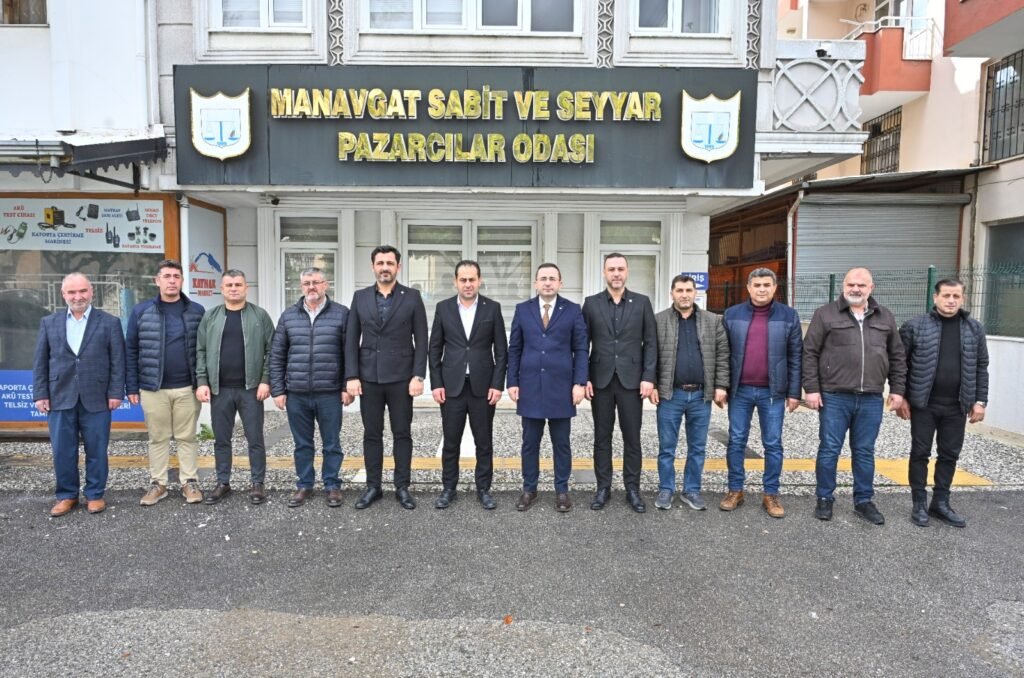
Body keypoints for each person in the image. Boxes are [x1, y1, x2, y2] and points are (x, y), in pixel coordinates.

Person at [803, 267, 906, 525]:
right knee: (829, 449)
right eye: (851, 284)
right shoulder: (825, 314)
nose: (856, 289)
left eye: (861, 285)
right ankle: (824, 498)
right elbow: (810, 353)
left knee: (864, 451)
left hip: (871, 397)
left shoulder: (886, 317)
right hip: (834, 396)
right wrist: (812, 389)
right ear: (843, 286)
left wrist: (897, 389)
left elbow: (897, 356)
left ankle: (863, 501)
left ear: (871, 288)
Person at [898, 278, 989, 528]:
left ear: (963, 299)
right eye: (946, 295)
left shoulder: (974, 329)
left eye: (956, 296)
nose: (951, 301)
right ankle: (918, 503)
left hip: (957, 406)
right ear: (935, 297)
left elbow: (981, 366)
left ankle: (940, 503)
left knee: (949, 455)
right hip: (924, 404)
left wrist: (980, 401)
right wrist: (902, 395)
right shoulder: (915, 326)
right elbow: (900, 364)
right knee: (920, 453)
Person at [32, 273, 125, 517]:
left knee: (97, 449)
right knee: (63, 450)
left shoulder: (109, 322)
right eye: (72, 292)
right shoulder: (49, 322)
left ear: (91, 292)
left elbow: (118, 361)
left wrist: (116, 391)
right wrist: (40, 393)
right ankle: (67, 495)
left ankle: (95, 494)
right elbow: (40, 361)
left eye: (82, 291)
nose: (78, 296)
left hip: (97, 396)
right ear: (63, 294)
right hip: (59, 395)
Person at [346, 246, 428, 510]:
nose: (385, 267)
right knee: (372, 434)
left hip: (402, 378)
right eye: (380, 263)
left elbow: (422, 339)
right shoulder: (360, 297)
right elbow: (351, 340)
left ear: (398, 267)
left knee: (402, 433)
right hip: (369, 378)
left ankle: (402, 487)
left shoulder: (412, 297)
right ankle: (373, 487)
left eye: (390, 263)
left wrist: (418, 375)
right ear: (373, 266)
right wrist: (351, 375)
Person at [507, 262, 589, 512]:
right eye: (543, 278)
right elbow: (515, 348)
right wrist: (512, 381)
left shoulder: (572, 310)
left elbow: (581, 348)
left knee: (561, 443)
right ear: (535, 283)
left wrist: (579, 383)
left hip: (561, 388)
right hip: (530, 385)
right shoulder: (523, 310)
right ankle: (529, 488)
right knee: (530, 443)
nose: (547, 282)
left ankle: (562, 490)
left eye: (552, 278)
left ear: (560, 283)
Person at [721, 268, 802, 518]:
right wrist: (721, 386)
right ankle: (735, 490)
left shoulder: (789, 316)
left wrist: (794, 392)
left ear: (775, 287)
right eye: (757, 285)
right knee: (736, 441)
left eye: (767, 285)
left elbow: (796, 356)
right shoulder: (732, 315)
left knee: (773, 443)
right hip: (740, 391)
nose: (762, 289)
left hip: (773, 393)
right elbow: (723, 354)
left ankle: (771, 494)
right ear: (748, 287)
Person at [428, 260, 508, 510]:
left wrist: (497, 384)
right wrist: (436, 383)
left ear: (479, 280)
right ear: (456, 282)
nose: (468, 284)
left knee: (483, 442)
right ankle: (448, 488)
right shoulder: (443, 308)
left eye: (472, 279)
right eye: (463, 280)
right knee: (451, 441)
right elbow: (434, 349)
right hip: (451, 386)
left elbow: (501, 351)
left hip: (483, 387)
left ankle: (483, 489)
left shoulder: (492, 308)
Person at [126, 259, 206, 506]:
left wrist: (203, 382)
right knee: (158, 437)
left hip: (187, 387)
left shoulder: (196, 311)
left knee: (187, 437)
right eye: (167, 276)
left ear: (182, 280)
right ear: (157, 280)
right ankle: (158, 483)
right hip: (153, 388)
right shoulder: (141, 311)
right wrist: (131, 386)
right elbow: (131, 350)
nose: (172, 281)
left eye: (176, 276)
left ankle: (189, 481)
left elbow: (204, 350)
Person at [581, 253, 657, 513]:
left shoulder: (642, 302)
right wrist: (583, 377)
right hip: (600, 380)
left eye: (620, 269)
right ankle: (603, 487)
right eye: (611, 269)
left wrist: (648, 377)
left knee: (632, 438)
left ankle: (632, 489)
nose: (616, 273)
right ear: (604, 272)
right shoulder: (591, 303)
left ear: (627, 272)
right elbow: (582, 344)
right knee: (602, 437)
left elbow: (651, 343)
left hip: (632, 382)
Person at [270, 267, 351, 508]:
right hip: (297, 393)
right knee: (302, 444)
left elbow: (349, 354)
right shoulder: (288, 316)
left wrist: (346, 386)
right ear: (301, 286)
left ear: (326, 285)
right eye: (307, 283)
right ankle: (304, 484)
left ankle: (332, 485)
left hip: (330, 392)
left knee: (332, 443)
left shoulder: (341, 314)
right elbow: (277, 355)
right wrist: (278, 390)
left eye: (316, 282)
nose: (311, 287)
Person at [195, 269, 275, 506]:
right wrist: (202, 381)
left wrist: (266, 380)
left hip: (251, 389)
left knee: (255, 438)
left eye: (238, 284)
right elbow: (200, 351)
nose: (233, 289)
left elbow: (272, 350)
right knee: (221, 439)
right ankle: (223, 482)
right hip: (220, 389)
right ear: (221, 289)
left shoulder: (260, 316)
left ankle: (257, 483)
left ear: (246, 288)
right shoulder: (211, 317)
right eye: (229, 285)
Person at [652, 275, 730, 511]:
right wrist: (653, 384)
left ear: (696, 293)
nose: (684, 295)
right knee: (667, 447)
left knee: (697, 447)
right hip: (670, 395)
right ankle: (666, 489)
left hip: (700, 396)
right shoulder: (659, 320)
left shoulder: (713, 321)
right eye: (679, 290)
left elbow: (723, 354)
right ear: (672, 293)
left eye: (688, 290)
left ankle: (691, 490)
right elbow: (650, 356)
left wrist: (721, 385)